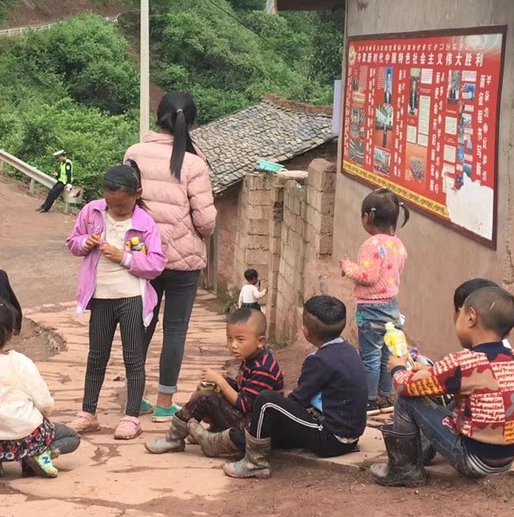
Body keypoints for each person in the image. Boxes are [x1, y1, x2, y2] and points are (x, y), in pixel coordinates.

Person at [373, 284, 514, 487]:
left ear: (471, 318)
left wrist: (398, 368)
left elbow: (404, 386)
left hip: (473, 461)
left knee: (407, 401)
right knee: (457, 400)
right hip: (506, 459)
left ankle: (404, 469)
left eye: (459, 314)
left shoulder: (462, 362)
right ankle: (421, 453)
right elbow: (465, 379)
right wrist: (428, 371)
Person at [125, 91, 216, 423]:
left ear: (158, 117)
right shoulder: (194, 163)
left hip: (142, 257)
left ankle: (135, 399)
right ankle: (165, 403)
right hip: (183, 262)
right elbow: (205, 221)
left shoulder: (134, 153)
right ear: (190, 122)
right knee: (175, 330)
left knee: (141, 325)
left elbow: (125, 203)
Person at [208, 295, 367, 479]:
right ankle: (227, 440)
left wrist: (279, 411)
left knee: (266, 401)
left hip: (331, 438)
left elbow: (298, 401)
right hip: (349, 436)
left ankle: (255, 462)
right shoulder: (348, 350)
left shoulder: (319, 361)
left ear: (306, 331)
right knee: (271, 424)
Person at [64, 162, 166, 440]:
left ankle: (131, 416)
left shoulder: (145, 224)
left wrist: (124, 258)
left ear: (137, 194)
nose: (116, 209)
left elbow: (156, 264)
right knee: (96, 356)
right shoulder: (92, 212)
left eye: (122, 205)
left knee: (133, 357)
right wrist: (85, 243)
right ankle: (88, 413)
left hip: (131, 297)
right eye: (111, 203)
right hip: (101, 296)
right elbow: (73, 242)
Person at [148, 307, 282, 455]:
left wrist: (221, 382)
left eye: (240, 339)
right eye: (229, 338)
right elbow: (242, 388)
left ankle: (174, 438)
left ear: (260, 341)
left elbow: (244, 405)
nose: (233, 345)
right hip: (246, 418)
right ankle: (212, 431)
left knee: (205, 398)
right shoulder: (252, 358)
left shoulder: (263, 368)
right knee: (209, 391)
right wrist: (220, 383)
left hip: (251, 427)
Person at [0, 298, 63, 479]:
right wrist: (42, 417)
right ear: (11, 333)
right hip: (28, 435)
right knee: (70, 437)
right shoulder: (21, 362)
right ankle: (40, 454)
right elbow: (45, 403)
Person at [341, 187, 409, 413]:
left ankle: (368, 399)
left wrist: (347, 267)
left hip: (370, 308)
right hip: (391, 306)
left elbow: (367, 276)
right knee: (388, 352)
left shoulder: (371, 245)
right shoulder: (397, 244)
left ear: (366, 217)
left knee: (370, 354)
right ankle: (385, 395)